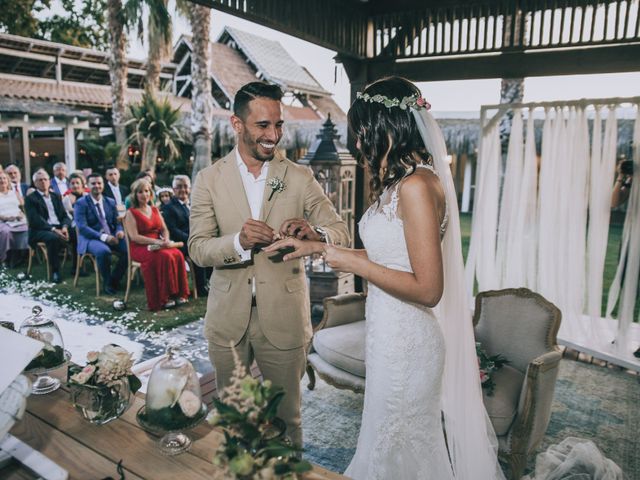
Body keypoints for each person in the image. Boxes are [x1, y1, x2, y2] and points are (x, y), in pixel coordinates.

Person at [265, 77, 504, 479]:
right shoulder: (404, 183)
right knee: (383, 444)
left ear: (387, 127)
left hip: (409, 344)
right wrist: (319, 245)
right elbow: (389, 258)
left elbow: (428, 289)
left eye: (363, 133)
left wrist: (343, 258)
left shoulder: (416, 186)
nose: (359, 145)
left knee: (402, 448)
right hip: (388, 336)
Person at [188, 81, 350, 448]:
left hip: (285, 316)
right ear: (237, 124)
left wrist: (315, 231)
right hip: (228, 319)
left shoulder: (299, 176)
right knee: (235, 419)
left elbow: (339, 230)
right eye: (263, 125)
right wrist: (237, 243)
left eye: (278, 125)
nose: (273, 135)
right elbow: (197, 249)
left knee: (286, 419)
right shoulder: (208, 180)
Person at [124, 178, 190, 311]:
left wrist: (165, 240)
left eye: (147, 191)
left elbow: (164, 229)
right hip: (140, 247)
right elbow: (134, 237)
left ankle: (177, 294)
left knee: (176, 254)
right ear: (135, 195)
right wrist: (156, 242)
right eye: (141, 192)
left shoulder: (154, 209)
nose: (145, 194)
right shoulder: (131, 212)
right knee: (163, 257)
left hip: (159, 244)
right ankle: (163, 298)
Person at [74, 173, 128, 295]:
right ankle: (107, 283)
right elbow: (82, 227)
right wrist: (104, 237)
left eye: (99, 183)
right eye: (93, 183)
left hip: (112, 235)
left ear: (103, 185)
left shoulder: (110, 201)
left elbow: (117, 222)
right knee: (104, 252)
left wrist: (119, 230)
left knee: (129, 250)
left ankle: (115, 278)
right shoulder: (81, 203)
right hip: (91, 238)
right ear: (87, 185)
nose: (97, 186)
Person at [161, 175, 211, 297]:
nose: (182, 190)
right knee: (198, 249)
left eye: (185, 186)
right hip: (180, 242)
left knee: (213, 247)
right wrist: (192, 238)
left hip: (197, 238)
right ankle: (201, 287)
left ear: (190, 189)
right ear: (173, 190)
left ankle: (212, 282)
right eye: (179, 187)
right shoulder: (169, 207)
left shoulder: (194, 204)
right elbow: (173, 230)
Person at [24, 169, 72, 283]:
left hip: (59, 227)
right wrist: (54, 230)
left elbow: (64, 215)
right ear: (35, 183)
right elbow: (35, 220)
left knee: (75, 232)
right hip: (39, 230)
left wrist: (65, 227)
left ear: (49, 181)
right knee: (53, 238)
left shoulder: (55, 196)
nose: (43, 182)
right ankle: (55, 271)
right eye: (39, 180)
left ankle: (77, 267)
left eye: (45, 179)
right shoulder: (31, 199)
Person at [0, 172, 28, 267]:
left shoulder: (15, 193)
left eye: (4, 178)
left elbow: (23, 207)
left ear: (8, 181)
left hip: (17, 219)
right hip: (3, 220)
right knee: (5, 232)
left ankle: (21, 255)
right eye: (0, 178)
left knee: (27, 229)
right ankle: (6, 258)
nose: (2, 180)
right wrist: (7, 218)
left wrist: (21, 214)